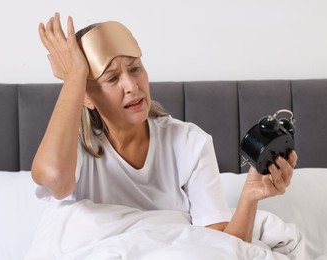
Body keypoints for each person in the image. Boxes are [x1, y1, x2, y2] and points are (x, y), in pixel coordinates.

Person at [32, 12, 298, 243]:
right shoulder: (75, 150)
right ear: (85, 96)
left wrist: (249, 197)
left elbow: (221, 249)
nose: (132, 86)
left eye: (135, 69)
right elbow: (55, 178)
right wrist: (74, 77)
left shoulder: (189, 143)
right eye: (112, 78)